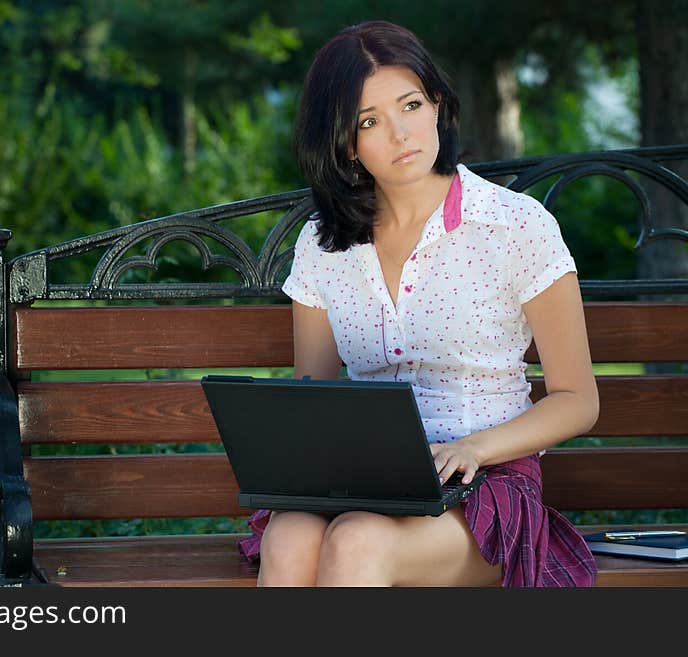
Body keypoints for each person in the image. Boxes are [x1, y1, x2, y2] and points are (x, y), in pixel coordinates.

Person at [239, 20, 600, 587]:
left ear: (436, 103)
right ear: (345, 143)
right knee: (289, 536)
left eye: (410, 105)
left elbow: (579, 400)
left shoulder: (515, 227)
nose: (399, 133)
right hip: (366, 480)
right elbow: (314, 397)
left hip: (487, 485)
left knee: (358, 541)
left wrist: (471, 447)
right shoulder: (322, 243)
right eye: (369, 121)